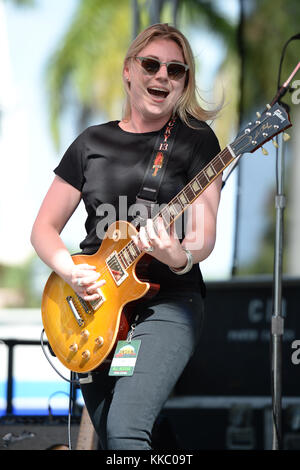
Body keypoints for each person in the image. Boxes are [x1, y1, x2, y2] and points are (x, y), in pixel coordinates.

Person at [31, 23, 222, 450]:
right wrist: (72, 273)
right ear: (128, 70)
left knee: (125, 431)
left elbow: (203, 236)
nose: (162, 76)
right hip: (94, 307)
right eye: (151, 64)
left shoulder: (196, 141)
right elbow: (43, 228)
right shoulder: (91, 142)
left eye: (176, 71)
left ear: (184, 83)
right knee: (118, 432)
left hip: (167, 302)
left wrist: (177, 254)